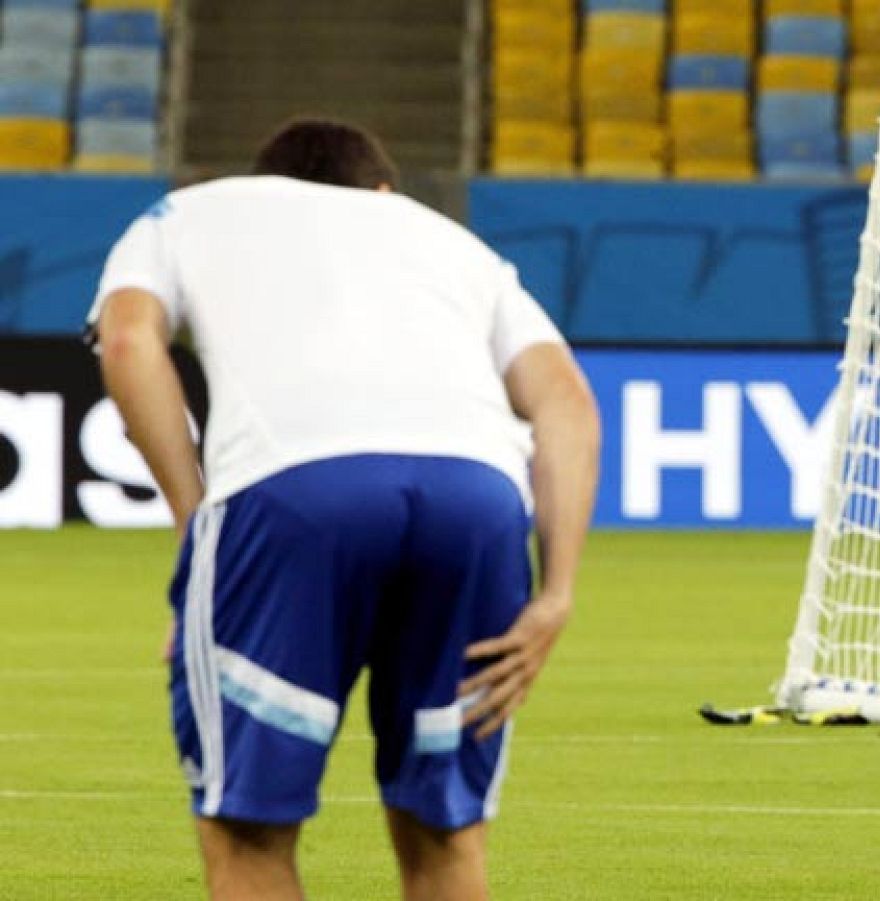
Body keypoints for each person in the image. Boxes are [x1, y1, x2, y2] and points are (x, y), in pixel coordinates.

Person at [89, 118, 601, 900]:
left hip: (293, 489)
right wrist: (557, 591)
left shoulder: (187, 212)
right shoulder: (456, 244)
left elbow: (127, 342)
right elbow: (566, 402)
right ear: (382, 192)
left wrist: (200, 533)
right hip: (478, 497)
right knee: (445, 835)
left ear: (269, 178)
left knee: (248, 832)